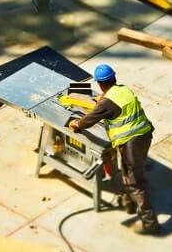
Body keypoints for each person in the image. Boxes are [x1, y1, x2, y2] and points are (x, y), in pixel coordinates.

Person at [68, 64, 160, 235]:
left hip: (131, 142)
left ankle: (150, 221)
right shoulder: (123, 90)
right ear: (114, 78)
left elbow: (89, 120)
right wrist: (102, 100)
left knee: (133, 181)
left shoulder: (106, 103)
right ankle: (129, 203)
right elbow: (113, 104)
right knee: (132, 172)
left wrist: (76, 124)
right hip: (145, 135)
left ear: (100, 84)